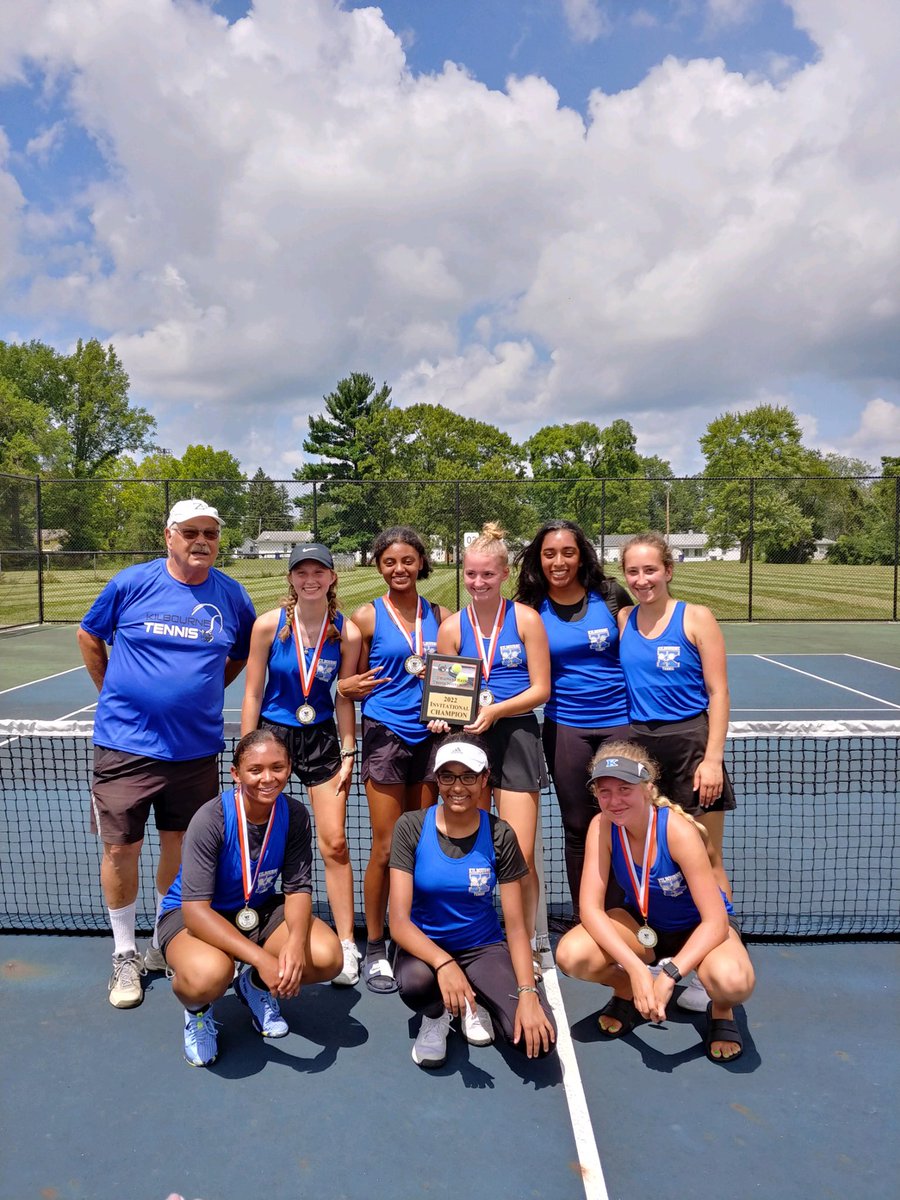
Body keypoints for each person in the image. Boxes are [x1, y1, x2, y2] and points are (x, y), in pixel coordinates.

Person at [77, 499, 256, 1009]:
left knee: (179, 847)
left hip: (196, 751)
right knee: (120, 849)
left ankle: (161, 941)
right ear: (169, 536)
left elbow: (241, 652)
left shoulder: (232, 595)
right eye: (192, 532)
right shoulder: (131, 583)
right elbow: (89, 634)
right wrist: (112, 689)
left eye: (211, 534)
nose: (202, 541)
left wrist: (199, 693)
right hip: (124, 747)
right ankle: (125, 953)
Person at [555, 741, 753, 1064]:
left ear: (648, 788)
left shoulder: (678, 831)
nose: (614, 801)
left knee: (732, 982)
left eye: (624, 789)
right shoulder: (602, 828)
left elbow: (715, 921)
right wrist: (635, 970)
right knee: (571, 955)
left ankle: (721, 1008)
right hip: (645, 927)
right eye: (604, 792)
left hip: (699, 930)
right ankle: (628, 990)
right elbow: (590, 909)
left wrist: (670, 975)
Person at [158, 729, 343, 1067]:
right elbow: (196, 912)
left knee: (327, 957)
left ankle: (254, 987)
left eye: (277, 767)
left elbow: (298, 888)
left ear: (289, 769)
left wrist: (294, 943)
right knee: (209, 975)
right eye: (255, 770)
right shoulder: (210, 818)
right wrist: (263, 958)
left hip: (256, 909)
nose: (267, 778)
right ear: (236, 774)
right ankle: (197, 1013)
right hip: (194, 916)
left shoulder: (295, 815)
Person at [617, 531, 736, 1013]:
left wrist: (711, 759)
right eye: (632, 571)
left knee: (707, 859)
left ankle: (719, 990)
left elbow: (719, 693)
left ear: (668, 570)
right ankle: (659, 954)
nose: (642, 579)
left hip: (690, 745)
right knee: (647, 854)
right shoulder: (624, 618)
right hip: (639, 750)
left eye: (650, 570)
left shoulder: (697, 618)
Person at [389, 736, 557, 1068]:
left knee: (539, 1043)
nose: (458, 786)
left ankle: (474, 1000)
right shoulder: (410, 827)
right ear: (437, 780)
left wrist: (527, 993)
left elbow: (517, 926)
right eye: (448, 776)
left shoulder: (500, 834)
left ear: (484, 780)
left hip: (483, 946)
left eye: (468, 776)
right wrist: (444, 962)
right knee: (416, 985)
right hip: (425, 946)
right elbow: (398, 922)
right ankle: (436, 1015)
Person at [241, 542, 363, 986]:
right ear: (290, 579)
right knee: (254, 841)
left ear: (333, 578)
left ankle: (347, 944)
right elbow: (253, 692)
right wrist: (249, 752)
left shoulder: (345, 633)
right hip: (272, 737)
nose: (310, 579)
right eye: (301, 572)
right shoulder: (268, 626)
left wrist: (349, 750)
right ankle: (248, 928)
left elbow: (345, 696)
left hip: (324, 739)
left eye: (319, 571)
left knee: (334, 843)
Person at [432, 523, 550, 966]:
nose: (477, 583)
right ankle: (475, 933)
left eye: (487, 575)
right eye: (471, 575)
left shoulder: (525, 619)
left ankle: (532, 939)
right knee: (471, 848)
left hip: (516, 734)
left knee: (518, 850)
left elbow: (541, 689)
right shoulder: (452, 627)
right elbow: (443, 690)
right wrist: (442, 714)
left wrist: (498, 711)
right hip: (469, 739)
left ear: (503, 575)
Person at [343, 526, 451, 993]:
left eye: (407, 561)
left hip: (431, 737)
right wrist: (345, 688)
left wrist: (448, 711)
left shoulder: (443, 617)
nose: (399, 569)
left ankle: (415, 935)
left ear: (421, 563)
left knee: (423, 841)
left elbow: (455, 679)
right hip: (386, 734)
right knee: (386, 845)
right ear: (378, 565)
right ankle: (374, 945)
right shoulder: (365, 618)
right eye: (390, 562)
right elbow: (346, 685)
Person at [514, 519, 631, 916]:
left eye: (568, 552)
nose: (559, 561)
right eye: (549, 553)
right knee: (578, 826)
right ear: (539, 558)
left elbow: (642, 643)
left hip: (621, 724)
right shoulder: (530, 605)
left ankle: (627, 912)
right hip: (566, 727)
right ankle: (589, 916)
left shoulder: (610, 594)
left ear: (581, 556)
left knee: (623, 820)